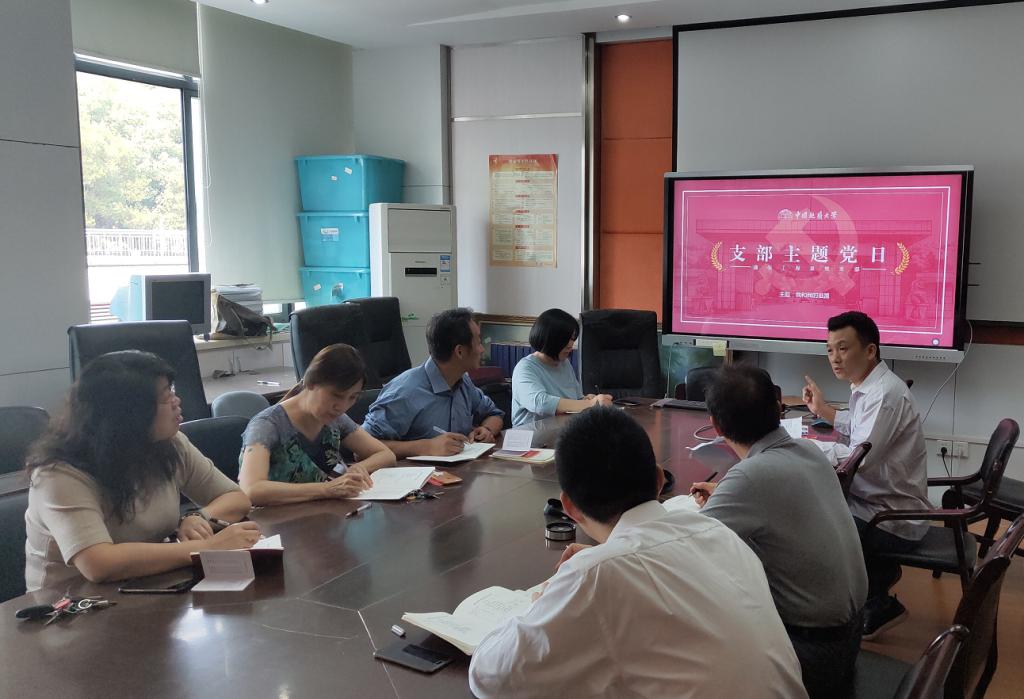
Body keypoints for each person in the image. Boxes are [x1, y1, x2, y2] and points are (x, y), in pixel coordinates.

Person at [469, 407, 807, 699]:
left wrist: (542, 600)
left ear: (569, 507)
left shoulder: (597, 577)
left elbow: (490, 677)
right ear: (659, 480)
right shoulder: (719, 534)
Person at [690, 366, 867, 698]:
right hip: (850, 633)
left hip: (811, 652)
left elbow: (686, 552)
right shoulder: (809, 451)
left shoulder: (749, 477)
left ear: (716, 426)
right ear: (778, 408)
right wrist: (728, 495)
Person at [25, 351, 260, 592]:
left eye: (172, 391)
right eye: (165, 397)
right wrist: (208, 548)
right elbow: (98, 563)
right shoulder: (58, 474)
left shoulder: (170, 444)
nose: (176, 402)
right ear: (129, 413)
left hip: (147, 587)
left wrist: (199, 517)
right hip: (70, 603)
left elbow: (236, 498)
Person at [802, 311, 930, 639]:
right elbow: (861, 430)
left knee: (814, 527)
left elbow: (857, 460)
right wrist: (822, 411)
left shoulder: (884, 394)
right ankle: (876, 581)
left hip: (890, 515)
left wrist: (804, 448)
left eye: (843, 348)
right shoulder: (870, 386)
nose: (835, 358)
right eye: (830, 350)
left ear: (870, 350)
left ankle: (874, 600)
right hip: (878, 500)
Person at [238, 344, 395, 506]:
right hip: (279, 518)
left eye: (352, 397)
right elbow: (251, 489)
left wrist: (358, 468)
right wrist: (326, 489)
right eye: (336, 395)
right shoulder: (267, 425)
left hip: (327, 513)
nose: (342, 406)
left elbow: (386, 454)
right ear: (311, 382)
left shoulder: (335, 418)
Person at [362, 308, 505, 458]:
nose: (482, 350)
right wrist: (425, 447)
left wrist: (486, 430)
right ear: (460, 351)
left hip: (460, 470)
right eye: (479, 342)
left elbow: (494, 414)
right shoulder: (406, 392)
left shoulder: (463, 381)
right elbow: (362, 448)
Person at [511, 308, 612, 426]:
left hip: (561, 430)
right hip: (531, 435)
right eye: (566, 339)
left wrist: (586, 399)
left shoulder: (565, 364)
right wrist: (590, 404)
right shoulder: (525, 368)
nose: (571, 345)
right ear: (550, 339)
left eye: (572, 339)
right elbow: (541, 403)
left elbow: (575, 399)